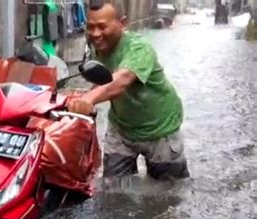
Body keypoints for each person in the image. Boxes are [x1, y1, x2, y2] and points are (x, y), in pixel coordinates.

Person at [67, 1, 190, 181]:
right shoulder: (95, 47)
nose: (95, 34)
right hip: (121, 129)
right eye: (90, 27)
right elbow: (102, 80)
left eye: (102, 27)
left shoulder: (139, 47)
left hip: (160, 130)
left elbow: (122, 79)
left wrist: (89, 99)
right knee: (112, 191)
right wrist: (76, 96)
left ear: (123, 24)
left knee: (168, 195)